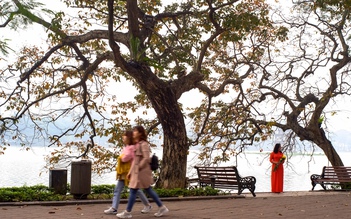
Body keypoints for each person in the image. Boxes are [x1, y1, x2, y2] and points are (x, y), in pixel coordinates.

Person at [117, 125, 169, 218]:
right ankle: (162, 207)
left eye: (135, 131)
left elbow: (146, 158)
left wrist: (137, 168)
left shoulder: (144, 144)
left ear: (140, 133)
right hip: (138, 172)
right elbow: (135, 161)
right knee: (146, 190)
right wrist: (130, 172)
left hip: (142, 172)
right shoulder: (138, 144)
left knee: (134, 190)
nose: (133, 132)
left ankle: (127, 212)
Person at [104, 130, 152, 215]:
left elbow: (126, 158)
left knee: (136, 190)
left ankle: (147, 205)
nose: (123, 138)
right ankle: (114, 208)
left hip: (130, 172)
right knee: (119, 189)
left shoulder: (132, 147)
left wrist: (121, 157)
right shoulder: (128, 146)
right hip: (125, 173)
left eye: (124, 136)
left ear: (128, 137)